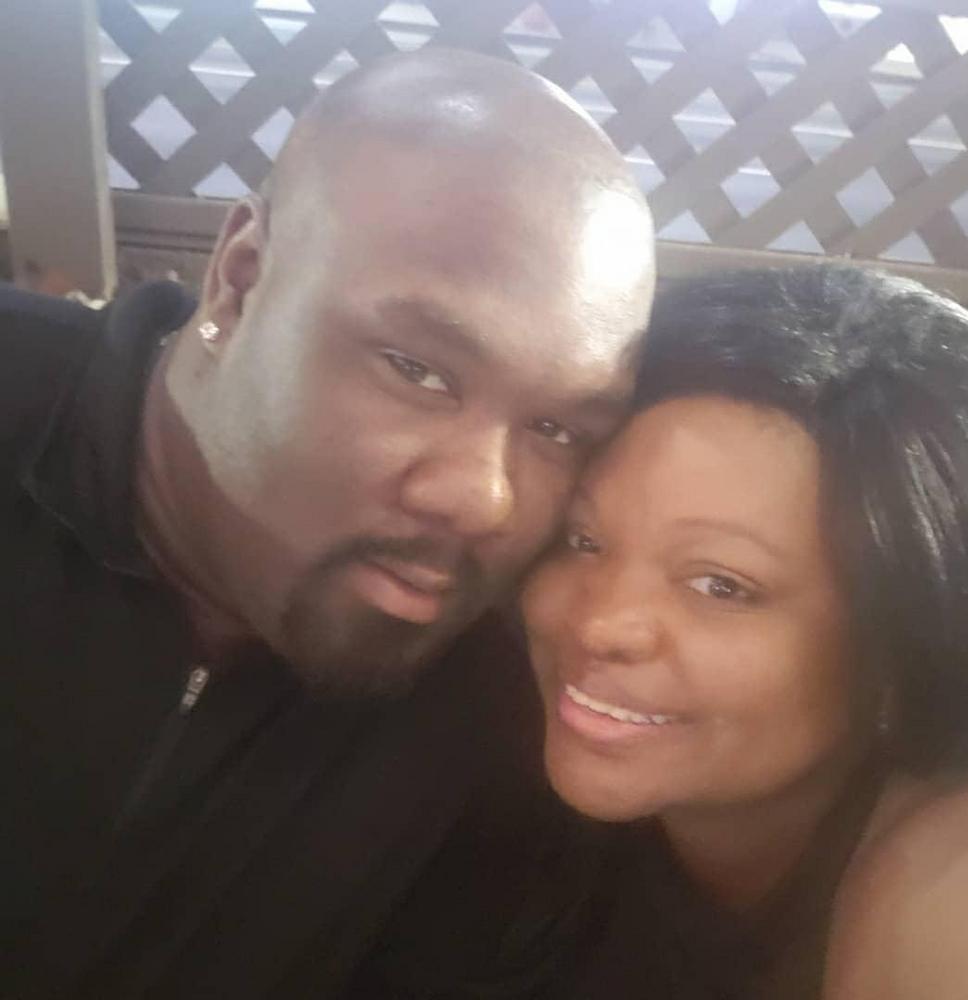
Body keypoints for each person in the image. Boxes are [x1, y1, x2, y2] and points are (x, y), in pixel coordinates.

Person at [1, 49, 655, 996]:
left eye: (556, 430)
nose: (487, 500)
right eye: (417, 369)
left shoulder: (510, 723)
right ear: (241, 279)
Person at [521, 263, 968, 999]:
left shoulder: (960, 885)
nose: (599, 623)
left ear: (907, 644)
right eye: (585, 541)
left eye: (721, 586)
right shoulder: (480, 745)